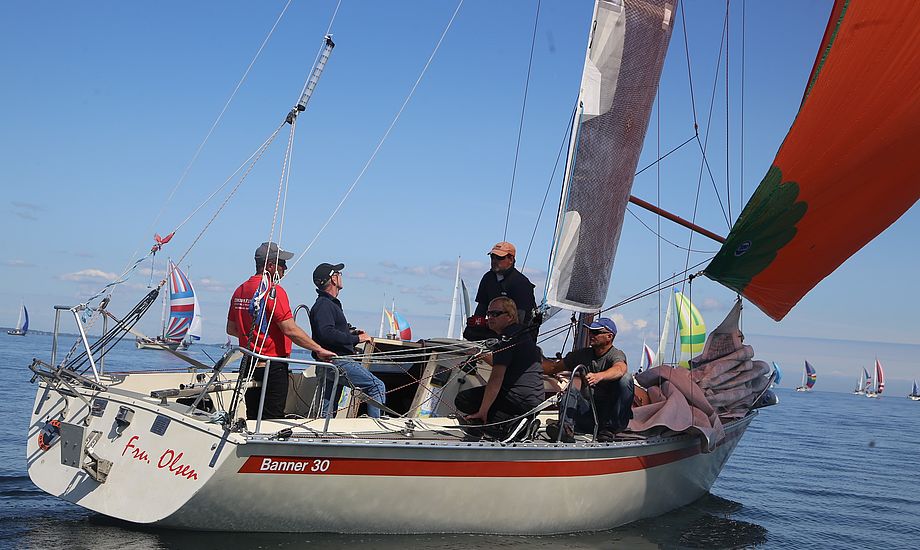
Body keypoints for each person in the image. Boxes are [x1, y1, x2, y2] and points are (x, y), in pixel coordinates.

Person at [227, 242, 335, 420]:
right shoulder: (273, 291)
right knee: (272, 419)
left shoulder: (240, 290)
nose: (285, 267)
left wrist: (256, 337)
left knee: (252, 416)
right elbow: (290, 329)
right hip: (272, 366)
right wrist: (319, 349)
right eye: (282, 263)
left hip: (248, 364)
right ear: (270, 266)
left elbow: (231, 329)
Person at [455, 297, 544, 439]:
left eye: (495, 314)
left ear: (509, 316)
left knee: (464, 399)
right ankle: (517, 422)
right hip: (534, 401)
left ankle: (509, 426)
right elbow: (506, 364)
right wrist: (481, 355)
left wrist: (483, 411)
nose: (490, 317)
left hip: (520, 400)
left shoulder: (507, 339)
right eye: (488, 314)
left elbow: (496, 378)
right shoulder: (521, 334)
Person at [309, 262, 388, 418]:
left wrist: (350, 332)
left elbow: (329, 331)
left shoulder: (326, 304)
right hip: (339, 361)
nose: (341, 277)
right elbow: (326, 333)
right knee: (377, 387)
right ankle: (375, 430)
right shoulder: (325, 305)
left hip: (329, 363)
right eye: (339, 274)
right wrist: (357, 338)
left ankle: (326, 436)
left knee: (328, 406)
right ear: (333, 279)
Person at [541, 317, 634, 442]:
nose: (591, 335)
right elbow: (553, 367)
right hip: (588, 414)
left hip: (608, 414)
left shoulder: (616, 354)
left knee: (626, 379)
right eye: (590, 332)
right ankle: (566, 429)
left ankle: (611, 429)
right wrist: (530, 358)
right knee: (571, 390)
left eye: (595, 332)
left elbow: (620, 369)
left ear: (609, 336)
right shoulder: (581, 355)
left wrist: (599, 376)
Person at [464, 241, 538, 341]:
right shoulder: (488, 278)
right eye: (492, 257)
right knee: (470, 332)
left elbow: (521, 319)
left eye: (499, 258)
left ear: (511, 259)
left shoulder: (521, 283)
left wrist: (487, 322)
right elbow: (482, 306)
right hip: (493, 326)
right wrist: (476, 322)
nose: (494, 260)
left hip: (516, 331)